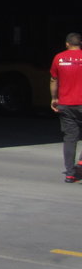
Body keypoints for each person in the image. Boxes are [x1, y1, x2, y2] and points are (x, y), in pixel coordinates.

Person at [49, 32, 82, 182]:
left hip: (66, 103)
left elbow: (53, 79)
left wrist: (54, 98)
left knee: (70, 138)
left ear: (67, 44)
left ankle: (69, 174)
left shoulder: (59, 58)